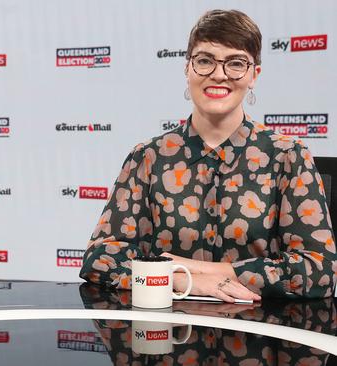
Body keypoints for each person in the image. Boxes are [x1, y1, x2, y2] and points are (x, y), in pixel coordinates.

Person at [79, 9, 336, 301]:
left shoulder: (288, 157)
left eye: (236, 63)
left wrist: (199, 269)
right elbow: (100, 258)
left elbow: (320, 271)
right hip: (163, 337)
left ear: (254, 75)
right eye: (205, 61)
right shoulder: (148, 157)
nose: (219, 74)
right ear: (187, 69)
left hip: (260, 337)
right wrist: (182, 281)